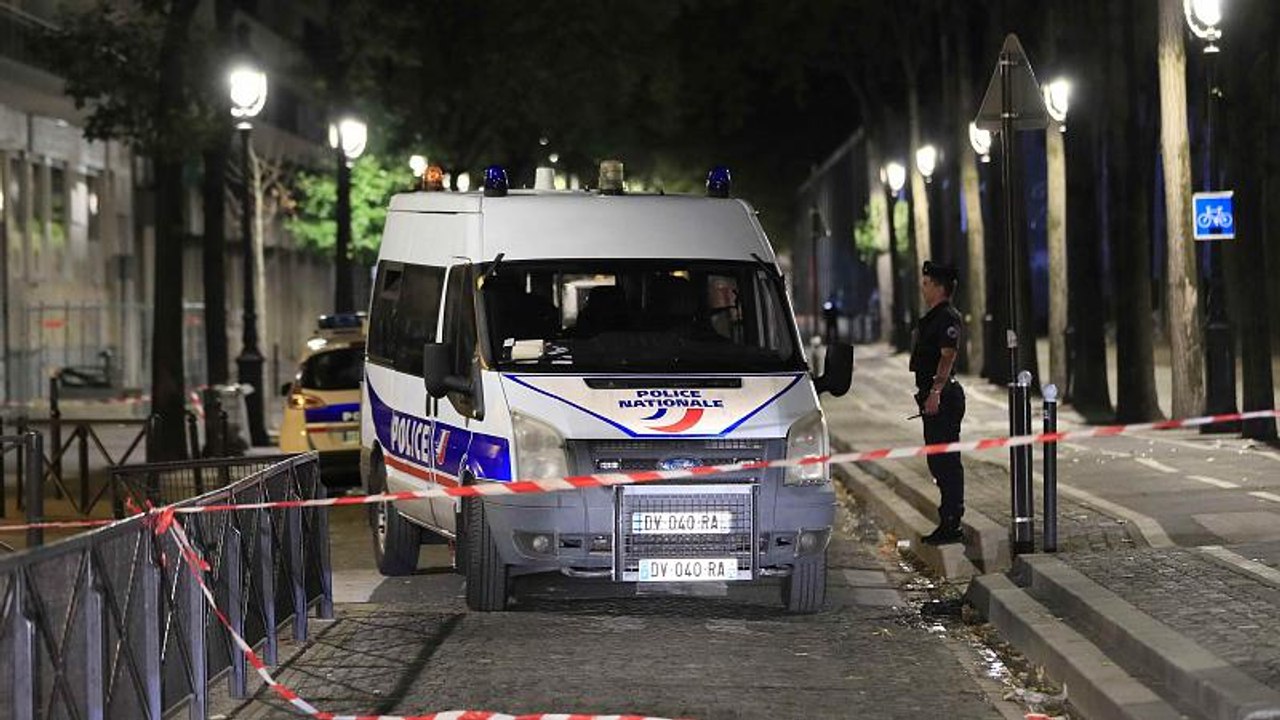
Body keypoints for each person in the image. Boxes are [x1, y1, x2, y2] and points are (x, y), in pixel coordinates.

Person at [909, 260, 966, 545]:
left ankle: (952, 522)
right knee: (937, 461)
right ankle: (947, 520)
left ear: (940, 287)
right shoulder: (934, 316)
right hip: (934, 396)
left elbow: (947, 355)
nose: (923, 287)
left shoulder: (946, 317)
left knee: (946, 463)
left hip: (942, 397)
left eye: (927, 283)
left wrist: (936, 392)